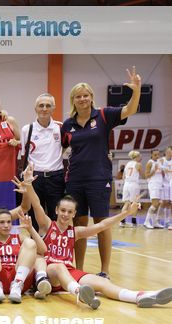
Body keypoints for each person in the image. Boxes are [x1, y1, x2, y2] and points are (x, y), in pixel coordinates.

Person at [25, 179, 172, 309]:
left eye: (70, 212)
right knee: (58, 266)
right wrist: (29, 184)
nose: (65, 214)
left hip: (69, 273)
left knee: (102, 282)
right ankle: (78, 292)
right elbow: (37, 204)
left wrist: (126, 214)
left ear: (74, 214)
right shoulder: (47, 225)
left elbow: (102, 226)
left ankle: (138, 296)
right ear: (56, 210)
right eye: (63, 210)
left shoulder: (75, 232)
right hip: (48, 274)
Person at [61, 66, 142, 279]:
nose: (82, 99)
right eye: (78, 96)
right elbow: (60, 148)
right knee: (78, 223)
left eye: (86, 95)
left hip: (99, 178)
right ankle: (78, 268)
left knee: (101, 222)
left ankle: (105, 270)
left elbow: (129, 110)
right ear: (73, 100)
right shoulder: (67, 125)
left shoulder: (104, 115)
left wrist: (136, 90)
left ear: (91, 97)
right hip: (75, 179)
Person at [0, 208, 48, 303]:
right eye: (2, 222)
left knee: (30, 242)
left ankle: (17, 284)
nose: (6, 225)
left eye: (9, 222)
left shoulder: (19, 237)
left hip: (19, 277)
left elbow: (43, 250)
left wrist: (30, 229)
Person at [20, 93, 65, 231]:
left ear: (53, 108)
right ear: (35, 108)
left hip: (56, 177)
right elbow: (23, 155)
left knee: (55, 215)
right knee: (33, 216)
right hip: (35, 179)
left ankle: (54, 249)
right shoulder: (27, 129)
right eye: (41, 105)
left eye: (48, 106)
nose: (44, 109)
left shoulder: (61, 127)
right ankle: (35, 248)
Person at [120, 150, 142, 228]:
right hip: (134, 184)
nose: (141, 157)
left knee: (126, 203)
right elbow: (141, 175)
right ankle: (134, 222)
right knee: (135, 203)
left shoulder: (127, 164)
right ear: (136, 157)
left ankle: (122, 221)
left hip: (126, 184)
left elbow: (123, 177)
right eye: (140, 156)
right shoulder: (138, 164)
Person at [144, 149, 164, 229]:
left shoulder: (159, 162)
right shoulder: (150, 163)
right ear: (151, 155)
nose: (157, 156)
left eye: (158, 154)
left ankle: (155, 222)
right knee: (154, 204)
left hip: (159, 184)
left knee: (158, 204)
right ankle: (146, 222)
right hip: (153, 184)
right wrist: (154, 170)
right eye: (155, 155)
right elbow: (146, 176)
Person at [159, 147, 172, 229]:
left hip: (171, 182)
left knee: (170, 203)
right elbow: (160, 170)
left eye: (170, 151)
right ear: (165, 152)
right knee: (164, 202)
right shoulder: (162, 160)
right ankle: (157, 219)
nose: (169, 153)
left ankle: (167, 221)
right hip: (164, 183)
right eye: (168, 151)